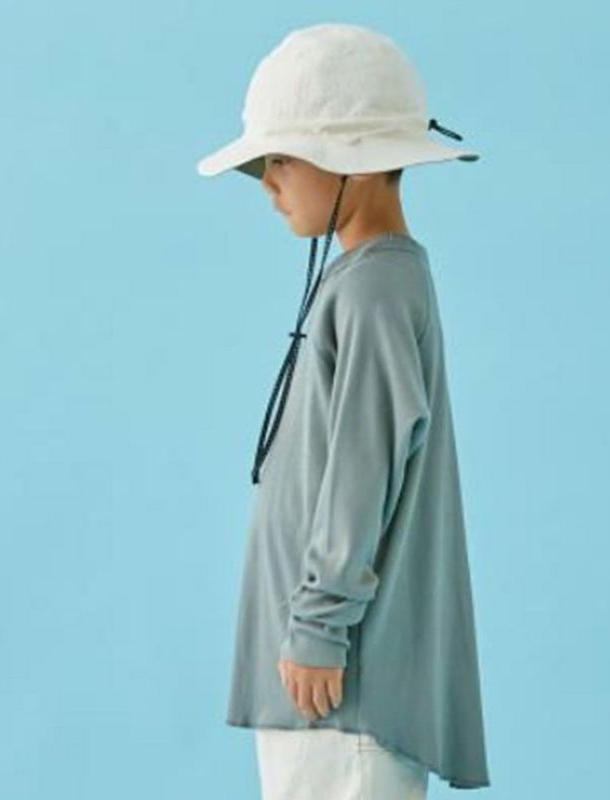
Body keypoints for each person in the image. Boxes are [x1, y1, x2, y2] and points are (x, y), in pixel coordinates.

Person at [195, 22, 491, 799]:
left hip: (342, 691)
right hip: (324, 691)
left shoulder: (375, 289)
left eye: (282, 159)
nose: (267, 182)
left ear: (353, 161)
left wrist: (319, 627)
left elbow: (364, 470)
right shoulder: (363, 281)